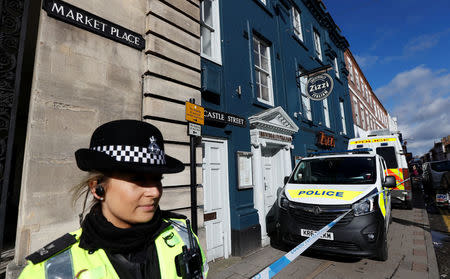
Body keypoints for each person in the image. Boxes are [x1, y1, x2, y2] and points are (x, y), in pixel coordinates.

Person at [19, 120, 208, 279]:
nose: (154, 192)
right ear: (97, 188)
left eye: (158, 179)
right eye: (138, 180)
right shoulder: (46, 269)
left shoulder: (183, 235)